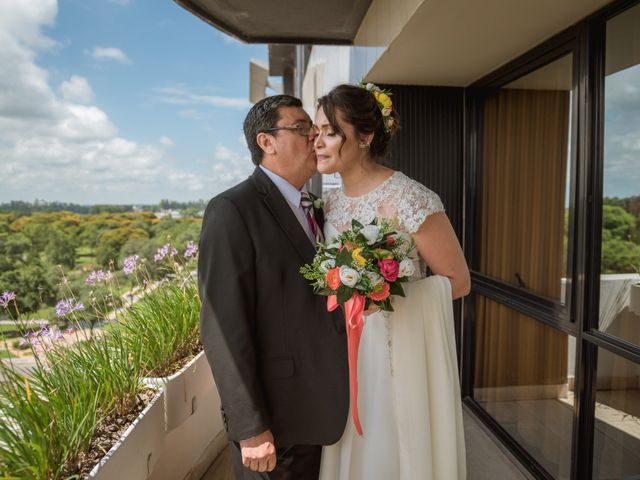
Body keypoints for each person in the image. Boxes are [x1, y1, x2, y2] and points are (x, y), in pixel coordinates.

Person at [313, 84, 470, 480]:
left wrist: (381, 291)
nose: (317, 142)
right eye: (315, 132)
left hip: (399, 354)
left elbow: (458, 281)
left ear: (364, 137)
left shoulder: (411, 198)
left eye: (330, 131)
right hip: (344, 356)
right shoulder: (327, 202)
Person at [198, 94, 349, 479]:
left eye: (315, 129)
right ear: (266, 142)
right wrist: (250, 428)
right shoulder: (232, 210)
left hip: (320, 408)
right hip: (273, 423)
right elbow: (223, 330)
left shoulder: (315, 208)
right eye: (302, 129)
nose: (315, 138)